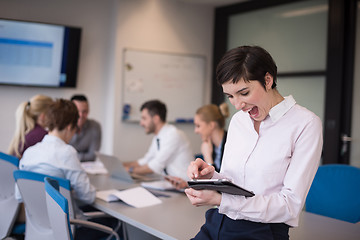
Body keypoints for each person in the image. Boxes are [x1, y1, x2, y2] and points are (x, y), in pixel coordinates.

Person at [185, 46, 323, 240]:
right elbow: (236, 181)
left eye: (244, 93)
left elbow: (289, 206)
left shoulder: (305, 124)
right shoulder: (239, 121)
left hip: (262, 232)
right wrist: (211, 175)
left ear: (268, 80)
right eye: (230, 96)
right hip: (218, 220)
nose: (238, 105)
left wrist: (221, 199)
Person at [123, 100, 193, 180]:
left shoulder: (173, 135)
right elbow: (146, 160)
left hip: (184, 187)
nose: (141, 123)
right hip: (169, 183)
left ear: (156, 119)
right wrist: (122, 165)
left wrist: (129, 170)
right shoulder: (158, 137)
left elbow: (155, 166)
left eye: (144, 119)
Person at [166, 103, 230, 190]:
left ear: (211, 125)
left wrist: (208, 158)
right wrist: (187, 184)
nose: (196, 131)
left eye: (198, 126)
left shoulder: (231, 145)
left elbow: (224, 185)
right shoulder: (211, 146)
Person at [69, 94, 101, 162]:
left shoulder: (95, 127)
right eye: (77, 111)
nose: (80, 115)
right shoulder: (63, 126)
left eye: (84, 111)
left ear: (88, 111)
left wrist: (71, 157)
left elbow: (92, 156)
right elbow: (60, 154)